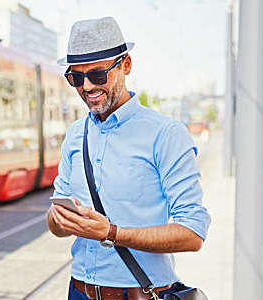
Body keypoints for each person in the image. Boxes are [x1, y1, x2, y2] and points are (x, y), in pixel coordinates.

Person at [48, 17, 211, 300]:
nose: (86, 87)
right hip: (78, 291)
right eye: (75, 77)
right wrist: (59, 219)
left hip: (140, 295)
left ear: (126, 65)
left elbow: (192, 233)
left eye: (98, 75)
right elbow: (55, 225)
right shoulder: (75, 134)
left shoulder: (166, 134)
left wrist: (112, 232)